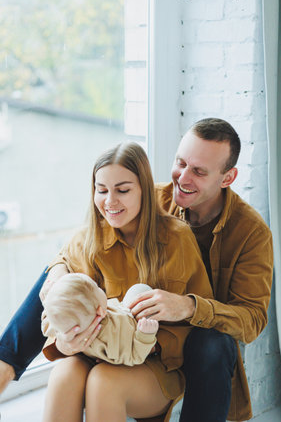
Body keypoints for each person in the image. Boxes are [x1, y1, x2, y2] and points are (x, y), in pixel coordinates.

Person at [0, 118, 273, 422]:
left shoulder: (249, 233)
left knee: (212, 344)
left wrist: (186, 306)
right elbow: (74, 250)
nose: (182, 177)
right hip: (114, 339)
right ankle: (5, 362)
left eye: (198, 171)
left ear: (227, 177)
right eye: (180, 162)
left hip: (182, 341)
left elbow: (252, 319)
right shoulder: (142, 199)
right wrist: (58, 273)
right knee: (61, 294)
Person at [39, 141, 212, 421]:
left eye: (123, 190)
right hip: (92, 354)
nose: (110, 202)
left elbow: (199, 322)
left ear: (144, 189)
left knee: (104, 381)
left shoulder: (177, 239)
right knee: (63, 374)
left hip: (153, 366)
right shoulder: (85, 241)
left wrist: (139, 340)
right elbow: (57, 313)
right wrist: (64, 344)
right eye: (102, 190)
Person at [41, 273, 158, 366]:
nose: (99, 287)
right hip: (133, 330)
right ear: (100, 311)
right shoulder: (113, 337)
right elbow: (135, 357)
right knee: (141, 290)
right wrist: (145, 336)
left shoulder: (60, 325)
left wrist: (48, 303)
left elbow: (47, 324)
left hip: (120, 310)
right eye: (97, 288)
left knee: (138, 292)